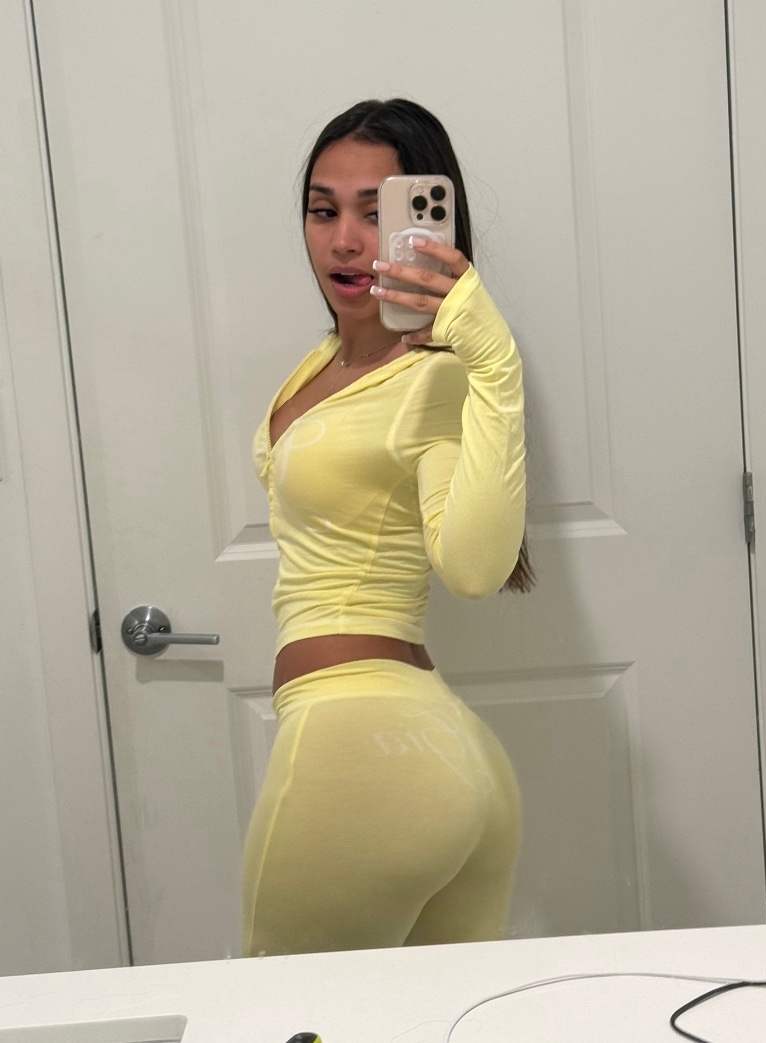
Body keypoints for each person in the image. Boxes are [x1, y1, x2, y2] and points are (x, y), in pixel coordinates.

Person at [243, 98, 533, 957]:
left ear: (427, 223)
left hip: (360, 748)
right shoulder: (326, 359)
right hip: (432, 749)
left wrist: (495, 362)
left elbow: (475, 568)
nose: (344, 241)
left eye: (377, 213)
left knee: (278, 1010)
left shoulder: (435, 375)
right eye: (323, 210)